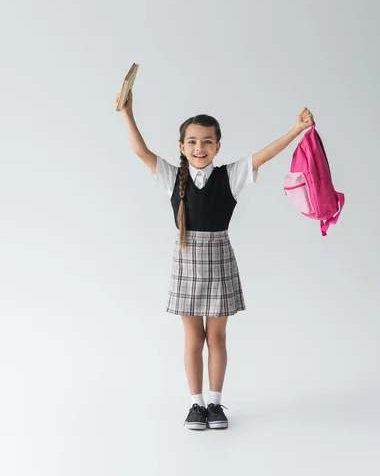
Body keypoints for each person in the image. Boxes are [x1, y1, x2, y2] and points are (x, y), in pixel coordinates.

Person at [116, 88, 314, 430]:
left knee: (217, 337)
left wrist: (296, 130)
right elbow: (140, 151)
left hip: (219, 259)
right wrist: (127, 113)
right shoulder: (172, 177)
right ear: (182, 147)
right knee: (193, 337)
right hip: (186, 262)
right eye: (192, 142)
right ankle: (195, 405)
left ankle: (216, 404)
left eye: (207, 142)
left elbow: (263, 155)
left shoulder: (229, 176)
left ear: (217, 147)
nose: (199, 148)